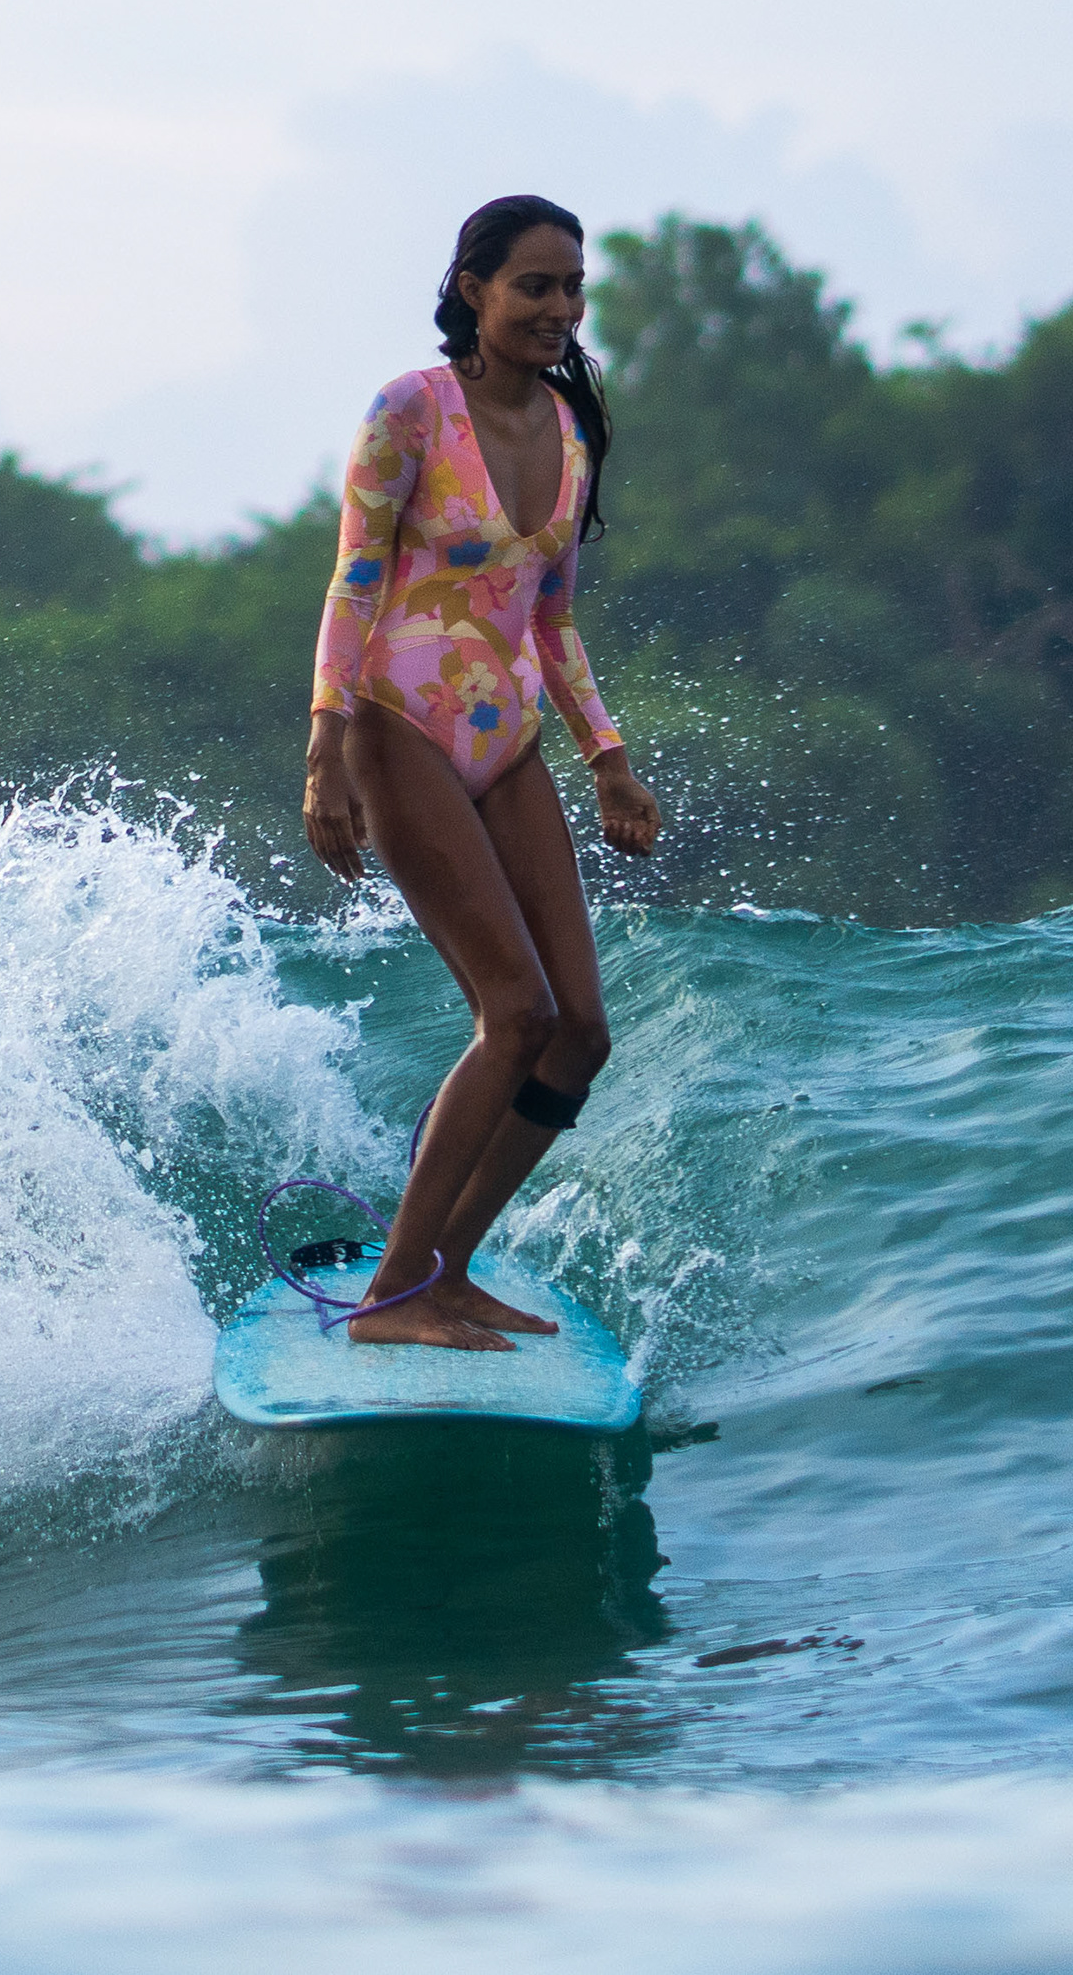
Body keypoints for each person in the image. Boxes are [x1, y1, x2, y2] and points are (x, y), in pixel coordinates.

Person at [301, 194, 665, 1350]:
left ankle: (444, 1269)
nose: (559, 309)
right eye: (534, 286)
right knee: (513, 1013)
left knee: (580, 1033)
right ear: (473, 288)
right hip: (397, 725)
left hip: (505, 738)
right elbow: (355, 584)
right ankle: (395, 1293)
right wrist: (325, 753)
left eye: (573, 288)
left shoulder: (570, 427)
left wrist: (608, 757)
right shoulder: (412, 409)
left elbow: (550, 618)